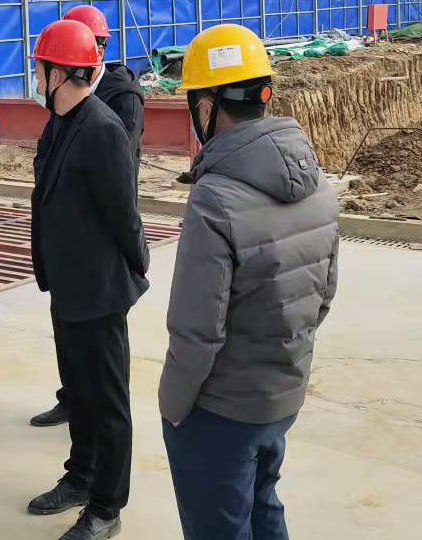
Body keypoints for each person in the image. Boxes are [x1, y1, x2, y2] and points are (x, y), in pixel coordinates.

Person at [158, 24, 339, 540]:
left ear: (207, 105)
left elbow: (197, 331)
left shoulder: (215, 197)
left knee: (219, 525)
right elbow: (322, 297)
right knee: (263, 505)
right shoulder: (318, 183)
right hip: (281, 395)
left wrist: (174, 406)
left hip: (221, 408)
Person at [25, 20, 149, 540]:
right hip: (69, 286)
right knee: (79, 392)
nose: (35, 77)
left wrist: (136, 267)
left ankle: (105, 508)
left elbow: (124, 213)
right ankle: (80, 477)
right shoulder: (60, 121)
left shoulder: (101, 129)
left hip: (99, 292)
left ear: (58, 73)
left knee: (108, 404)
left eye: (39, 69)